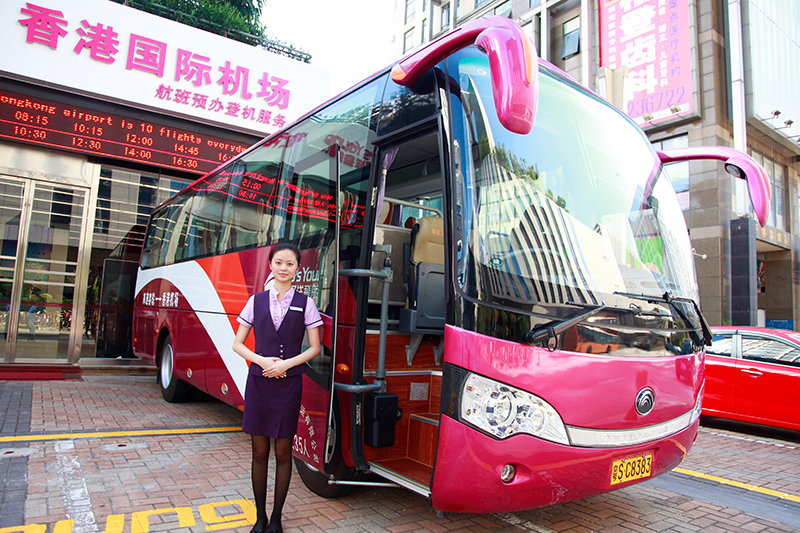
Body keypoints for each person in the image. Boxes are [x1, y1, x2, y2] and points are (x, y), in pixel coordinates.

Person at [232, 243, 323, 533]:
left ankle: (276, 519)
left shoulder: (306, 303)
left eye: (290, 264)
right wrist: (262, 361)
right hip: (259, 383)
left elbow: (315, 348)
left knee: (284, 453)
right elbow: (237, 344)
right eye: (279, 262)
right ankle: (259, 518)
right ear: (270, 265)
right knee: (259, 452)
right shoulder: (255, 301)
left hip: (289, 385)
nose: (284, 268)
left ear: (298, 269)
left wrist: (285, 365)